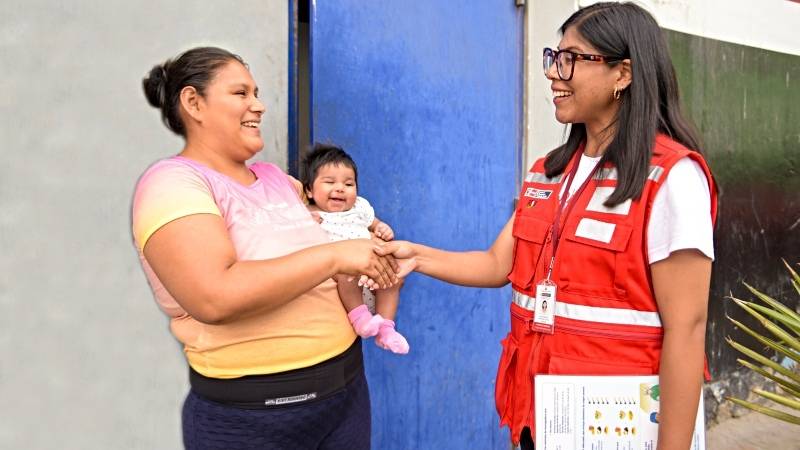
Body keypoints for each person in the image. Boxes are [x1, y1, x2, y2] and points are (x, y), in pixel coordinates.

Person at [378, 3, 716, 449]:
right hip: (544, 418)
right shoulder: (548, 172)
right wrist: (415, 256)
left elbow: (687, 329)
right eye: (553, 57)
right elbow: (499, 263)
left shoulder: (671, 178)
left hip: (621, 428)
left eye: (571, 59)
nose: (554, 73)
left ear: (623, 73)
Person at [132, 46, 399, 450]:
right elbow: (214, 297)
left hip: (344, 396)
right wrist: (338, 255)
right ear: (193, 103)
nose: (258, 105)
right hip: (251, 421)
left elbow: (340, 230)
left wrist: (377, 249)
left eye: (257, 93)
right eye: (241, 93)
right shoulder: (173, 184)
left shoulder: (278, 179)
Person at [301, 143, 410, 354]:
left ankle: (386, 329)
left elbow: (374, 223)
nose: (340, 188)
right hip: (347, 278)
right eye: (329, 182)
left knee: (395, 274)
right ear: (309, 190)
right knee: (345, 271)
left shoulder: (359, 207)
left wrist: (381, 228)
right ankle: (360, 318)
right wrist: (303, 222)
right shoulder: (308, 213)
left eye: (348, 184)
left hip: (372, 275)